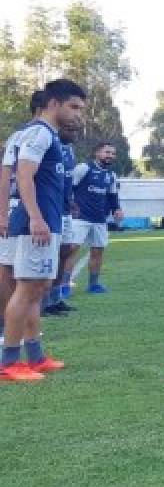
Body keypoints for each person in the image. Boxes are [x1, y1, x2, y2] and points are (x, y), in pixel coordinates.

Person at [1, 78, 86, 381]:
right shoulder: (41, 133)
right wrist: (37, 218)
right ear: (53, 104)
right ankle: (9, 362)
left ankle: (35, 356)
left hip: (26, 221)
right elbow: (24, 176)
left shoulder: (30, 133)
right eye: (74, 107)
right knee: (27, 291)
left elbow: (9, 175)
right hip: (35, 223)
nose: (78, 115)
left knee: (33, 290)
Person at [0, 90, 46, 339]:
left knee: (28, 278)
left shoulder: (45, 136)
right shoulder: (26, 135)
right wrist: (3, 214)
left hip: (28, 210)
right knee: (11, 272)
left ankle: (20, 329)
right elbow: (6, 177)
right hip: (20, 209)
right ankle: (8, 329)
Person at [64, 142, 123, 294]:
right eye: (107, 152)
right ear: (97, 153)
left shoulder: (111, 175)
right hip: (80, 218)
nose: (110, 156)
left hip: (100, 220)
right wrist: (70, 205)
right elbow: (69, 187)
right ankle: (63, 285)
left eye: (112, 153)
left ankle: (93, 284)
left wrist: (117, 209)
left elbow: (112, 195)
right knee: (72, 250)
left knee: (97, 252)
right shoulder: (84, 168)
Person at [43, 119, 81, 315]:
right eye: (70, 129)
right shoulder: (48, 144)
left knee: (64, 252)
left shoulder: (70, 151)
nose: (74, 132)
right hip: (50, 210)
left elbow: (66, 180)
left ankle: (55, 298)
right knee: (47, 255)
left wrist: (71, 200)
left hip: (65, 210)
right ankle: (43, 301)